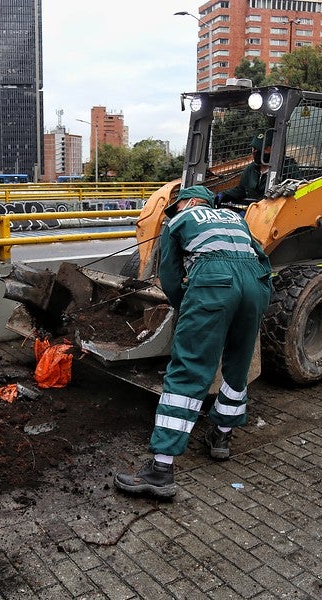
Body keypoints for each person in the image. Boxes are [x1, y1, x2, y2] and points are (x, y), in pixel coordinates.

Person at [114, 185, 272, 498]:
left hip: (214, 284)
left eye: (176, 205)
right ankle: (221, 437)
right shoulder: (235, 217)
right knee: (238, 364)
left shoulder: (179, 221)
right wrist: (258, 297)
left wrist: (185, 305)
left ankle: (161, 469)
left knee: (189, 370)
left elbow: (170, 276)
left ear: (188, 201)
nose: (174, 209)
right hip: (254, 286)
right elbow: (261, 258)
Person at [217, 131, 300, 207]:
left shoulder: (287, 167)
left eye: (259, 149)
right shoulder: (251, 169)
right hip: (251, 210)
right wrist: (224, 195)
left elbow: (299, 190)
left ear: (273, 149)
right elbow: (242, 190)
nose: (254, 152)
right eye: (253, 148)